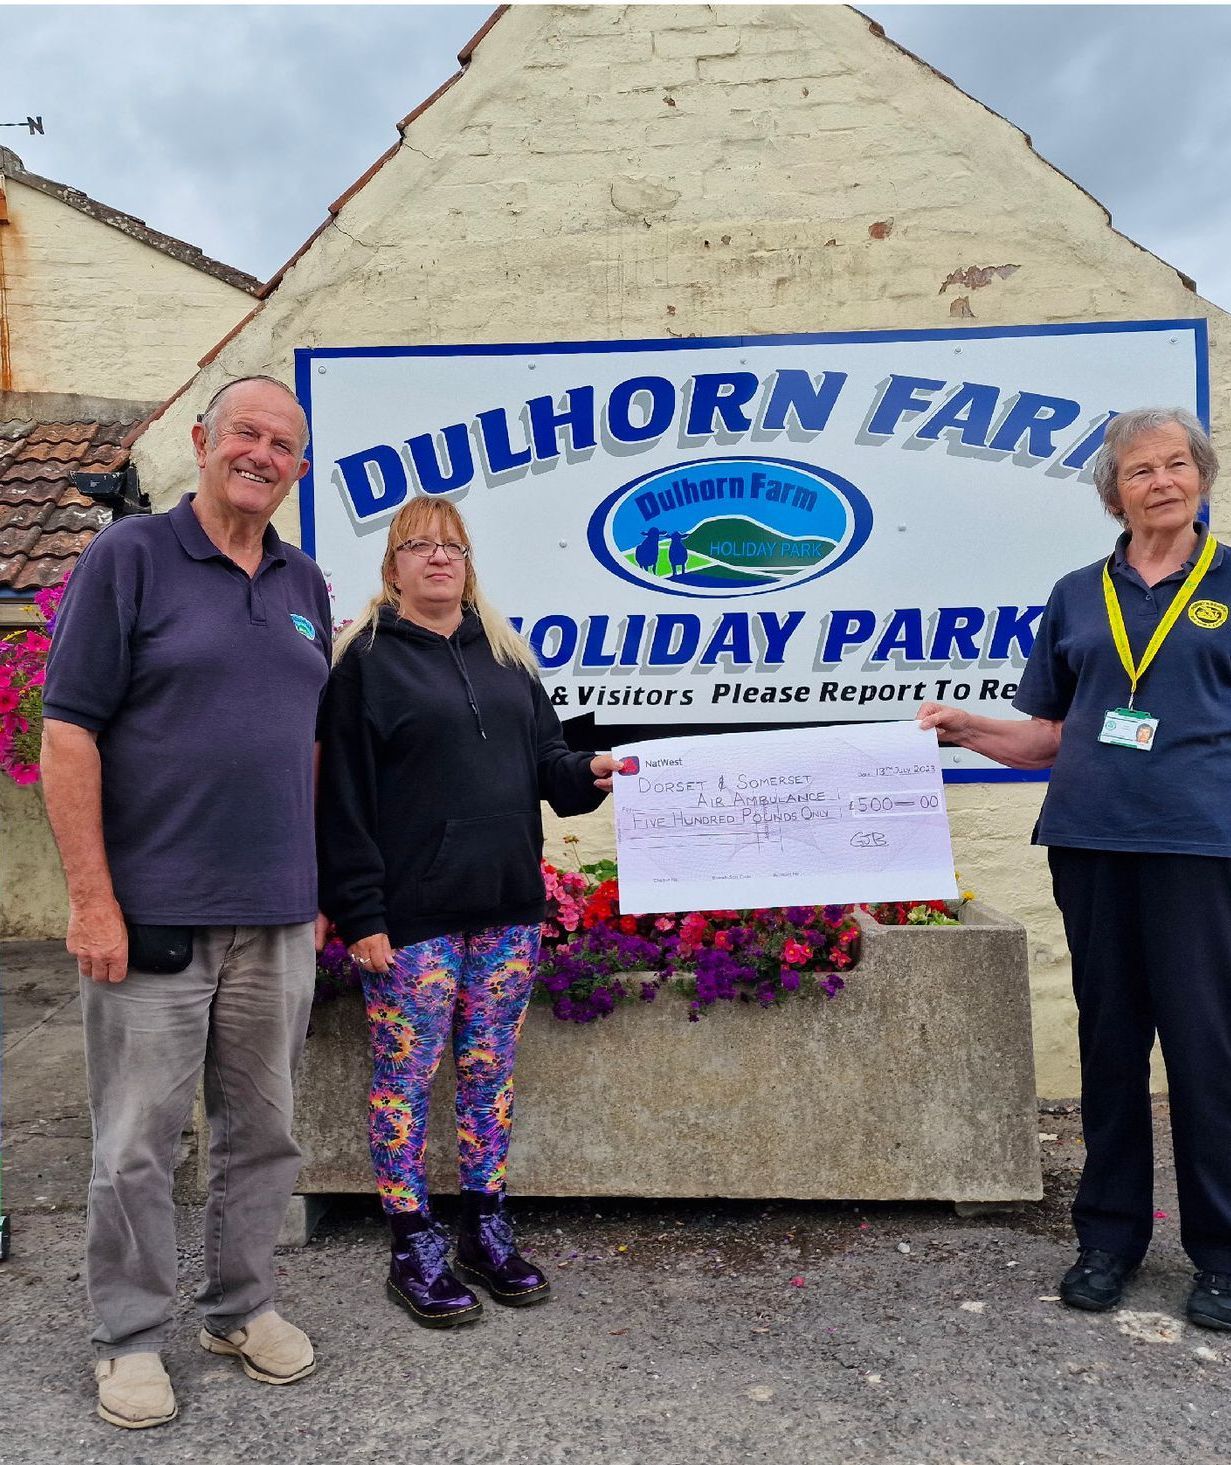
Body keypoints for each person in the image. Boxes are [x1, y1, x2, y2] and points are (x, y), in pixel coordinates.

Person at [40, 377, 332, 1428]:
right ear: (204, 441)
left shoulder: (305, 581)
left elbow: (306, 742)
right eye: (246, 433)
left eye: (283, 444)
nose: (262, 454)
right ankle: (128, 1336)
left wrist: (315, 884)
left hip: (277, 913)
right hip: (154, 912)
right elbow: (67, 732)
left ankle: (240, 1307)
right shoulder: (130, 557)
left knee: (265, 1131)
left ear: (299, 469)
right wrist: (92, 900)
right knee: (137, 1143)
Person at [918, 406, 1231, 1328]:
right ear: (1112, 495)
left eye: (1176, 465)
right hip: (1090, 844)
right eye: (1140, 471)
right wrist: (964, 728)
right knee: (1108, 1044)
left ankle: (1220, 1254)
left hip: (1198, 849)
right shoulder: (1075, 593)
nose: (1161, 482)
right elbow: (1050, 734)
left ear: (1201, 478)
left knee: (1206, 1049)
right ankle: (1107, 1240)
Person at [316, 497, 618, 1328]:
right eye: (418, 545)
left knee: (488, 1073)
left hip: (507, 909)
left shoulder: (507, 655)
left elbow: (548, 763)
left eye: (451, 545)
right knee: (405, 1080)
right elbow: (342, 798)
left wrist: (588, 771)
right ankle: (410, 1241)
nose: (438, 557)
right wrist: (359, 912)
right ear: (392, 567)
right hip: (411, 919)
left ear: (468, 561)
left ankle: (484, 1226)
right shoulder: (364, 664)